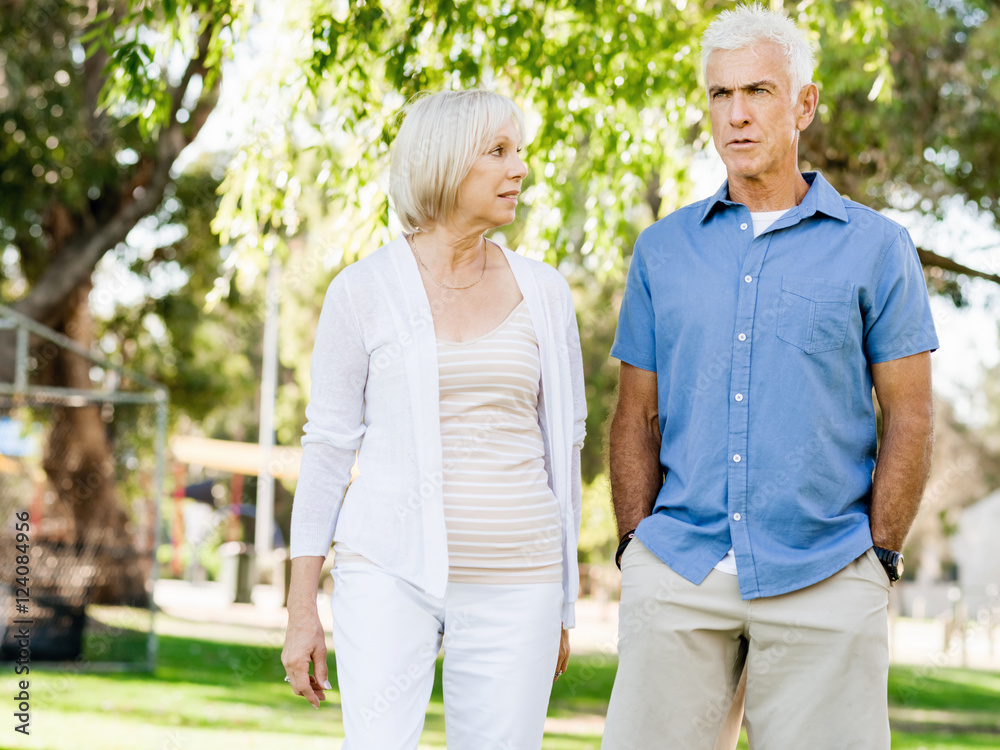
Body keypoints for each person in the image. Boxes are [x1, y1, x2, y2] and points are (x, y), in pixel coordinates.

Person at [602, 4, 938, 749]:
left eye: (758, 91)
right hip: (680, 573)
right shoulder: (662, 250)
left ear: (804, 105)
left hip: (825, 574)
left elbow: (909, 415)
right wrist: (636, 547)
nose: (737, 114)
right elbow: (635, 415)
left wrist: (877, 557)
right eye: (721, 95)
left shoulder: (878, 249)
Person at [280, 89, 587, 750]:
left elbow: (565, 447)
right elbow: (328, 448)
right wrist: (301, 607)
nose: (520, 170)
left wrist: (561, 603)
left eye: (520, 152)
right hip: (389, 569)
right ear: (447, 164)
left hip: (520, 580)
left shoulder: (546, 292)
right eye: (498, 152)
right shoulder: (362, 291)